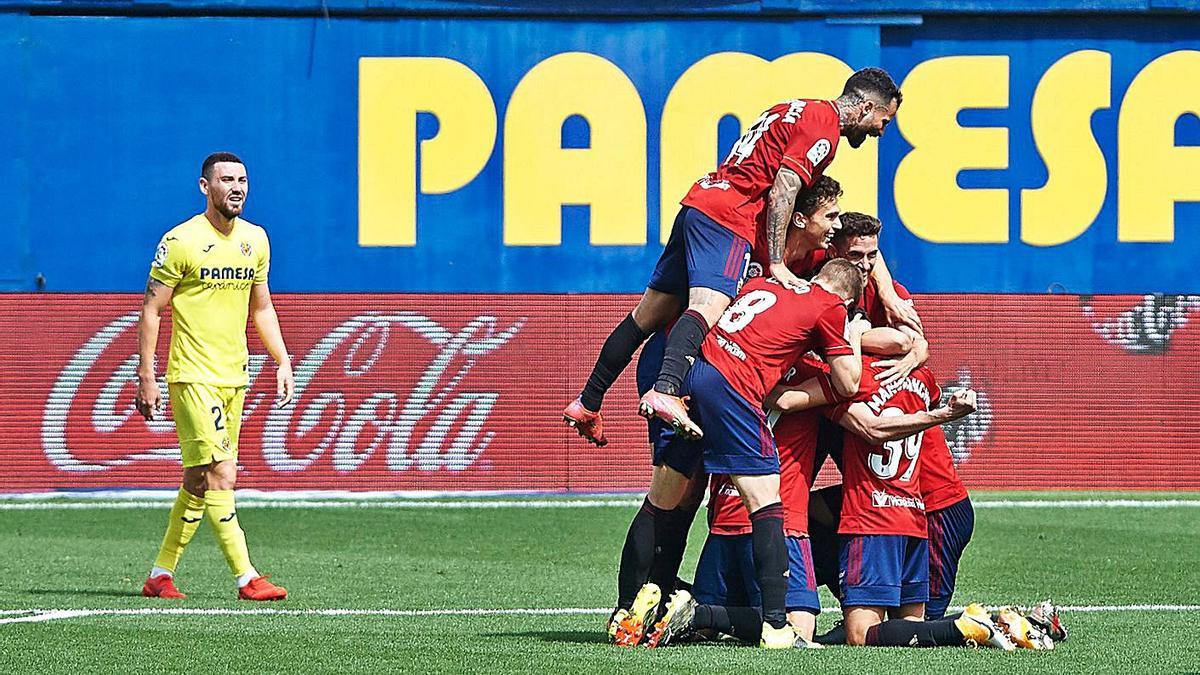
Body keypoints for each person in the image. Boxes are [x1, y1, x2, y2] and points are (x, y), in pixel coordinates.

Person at [563, 68, 911, 447]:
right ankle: (665, 390)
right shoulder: (824, 130)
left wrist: (889, 293)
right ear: (864, 107)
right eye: (884, 119)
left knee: (647, 315)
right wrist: (776, 263)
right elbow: (783, 191)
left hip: (701, 201)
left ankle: (588, 401)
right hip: (729, 216)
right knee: (708, 305)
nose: (881, 129)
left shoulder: (794, 108)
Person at [612, 259, 866, 649]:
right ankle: (776, 627)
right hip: (734, 388)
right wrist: (854, 334)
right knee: (768, 503)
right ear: (846, 299)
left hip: (695, 371)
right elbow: (849, 381)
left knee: (661, 501)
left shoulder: (768, 283)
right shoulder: (829, 306)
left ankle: (631, 607)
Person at [137, 152, 294, 601]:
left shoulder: (255, 239)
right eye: (226, 180)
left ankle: (159, 574)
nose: (237, 187)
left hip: (234, 376)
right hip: (192, 375)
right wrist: (146, 375)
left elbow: (261, 306)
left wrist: (281, 359)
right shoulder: (181, 240)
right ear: (205, 187)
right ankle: (247, 577)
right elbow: (152, 308)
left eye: (243, 179)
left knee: (197, 479)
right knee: (223, 474)